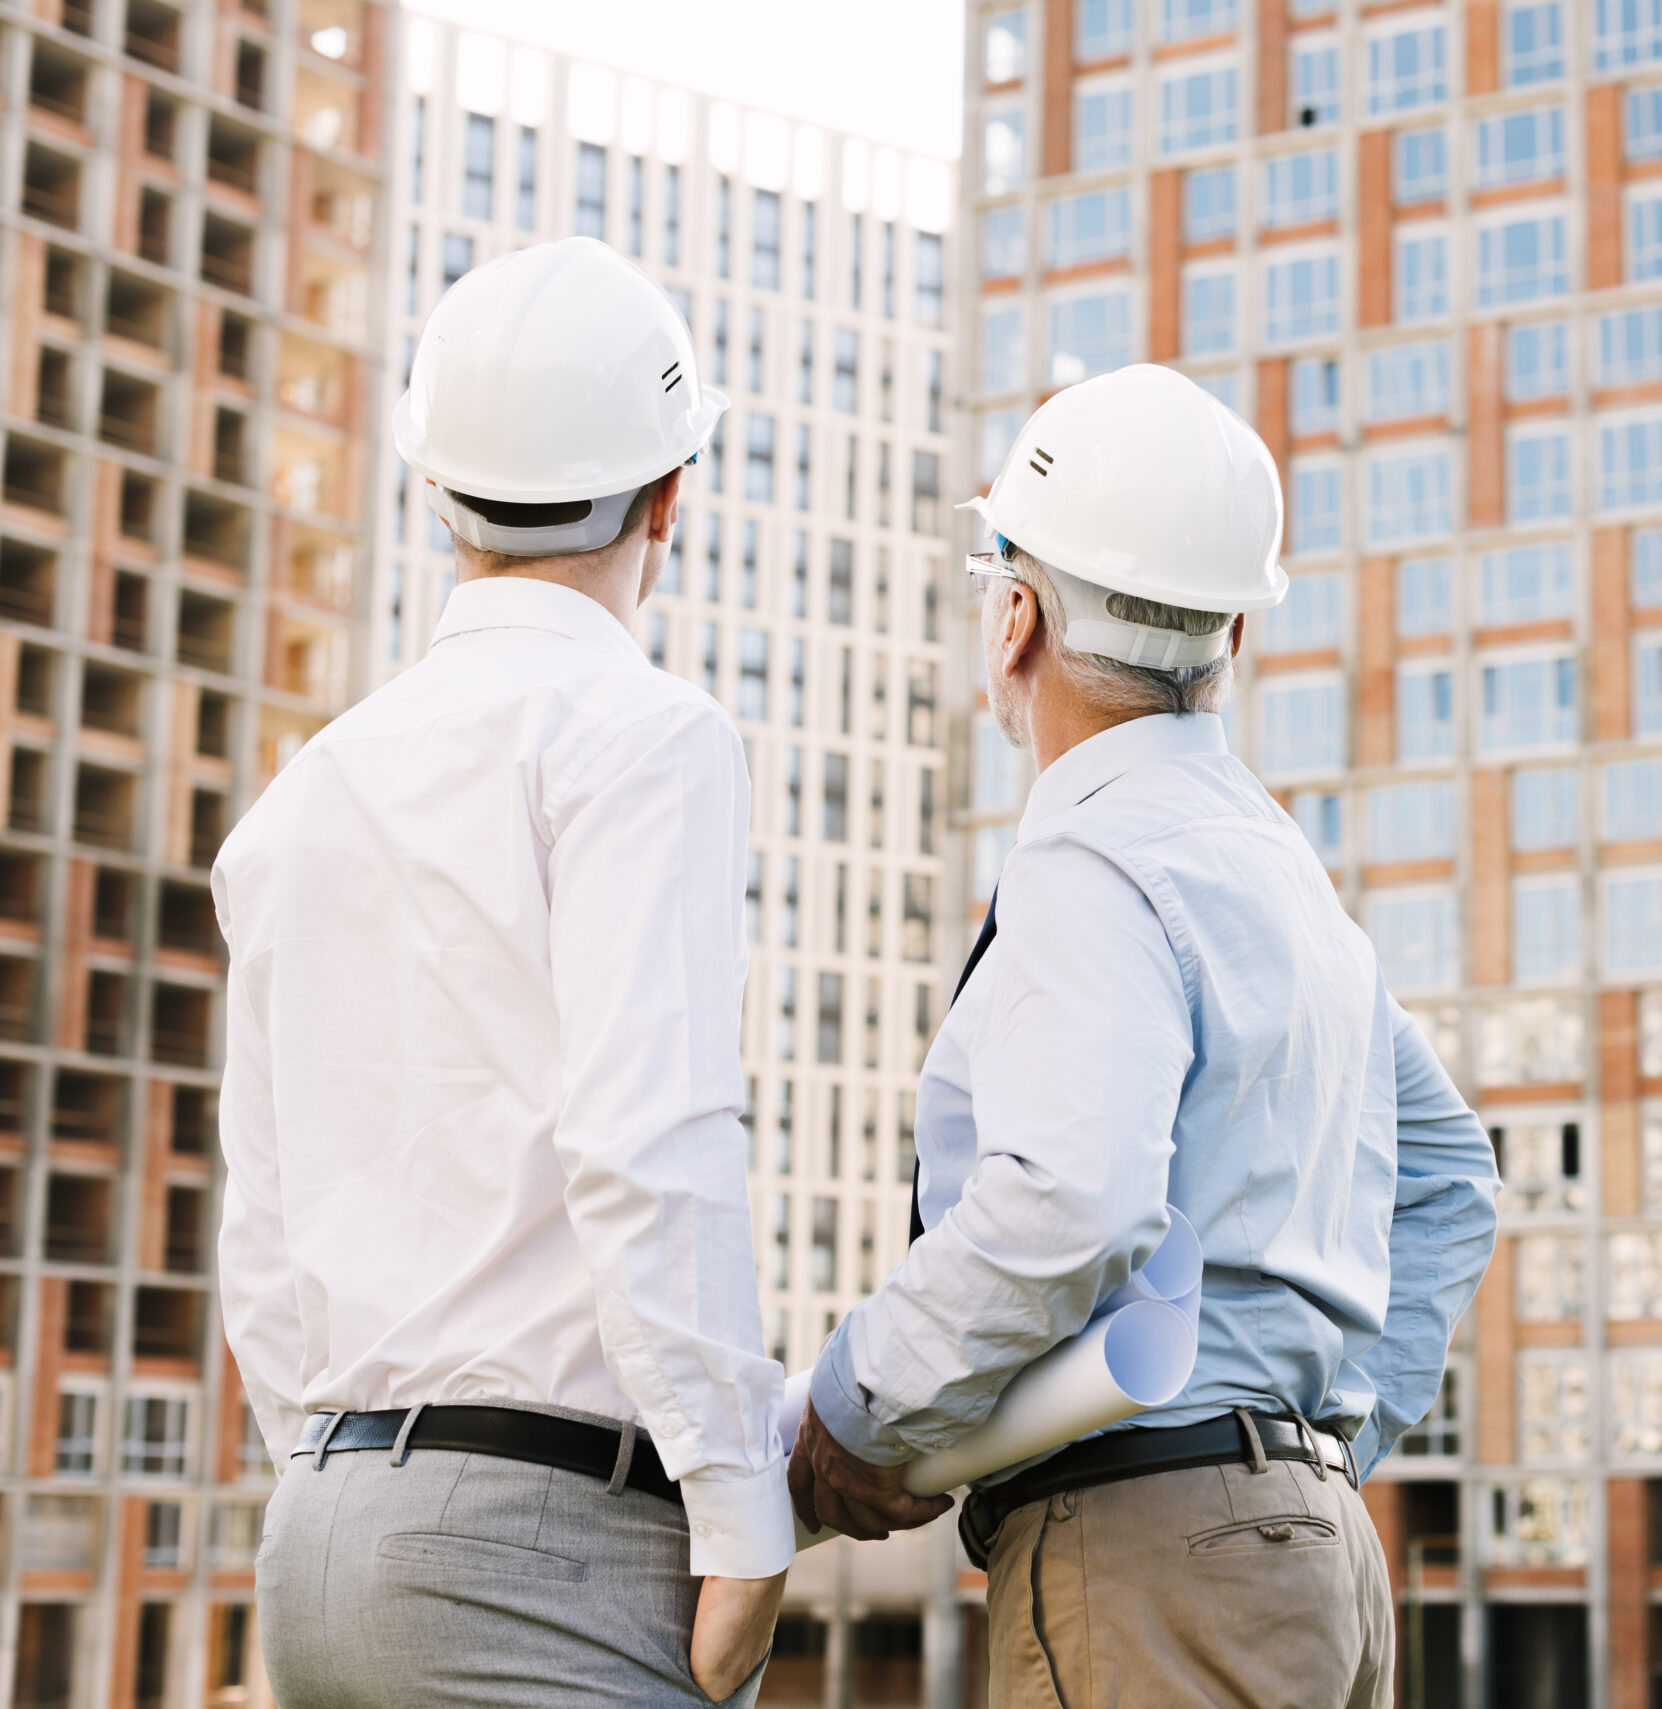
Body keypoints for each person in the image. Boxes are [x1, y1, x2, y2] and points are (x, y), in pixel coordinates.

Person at [787, 363, 1500, 1708]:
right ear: (1233, 634)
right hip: (1319, 1558)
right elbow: (1454, 1180)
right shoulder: (1282, 874)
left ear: (1015, 617)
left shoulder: (1093, 854)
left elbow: (1071, 1196)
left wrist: (856, 1405)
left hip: (1147, 1552)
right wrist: (1311, 1457)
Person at [215, 237, 791, 1707]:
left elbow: (262, 1230)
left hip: (324, 1534)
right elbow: (649, 1138)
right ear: (671, 496)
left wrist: (342, 1486)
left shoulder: (303, 795)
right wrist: (743, 1517)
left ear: (437, 494)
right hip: (544, 1548)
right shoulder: (644, 738)